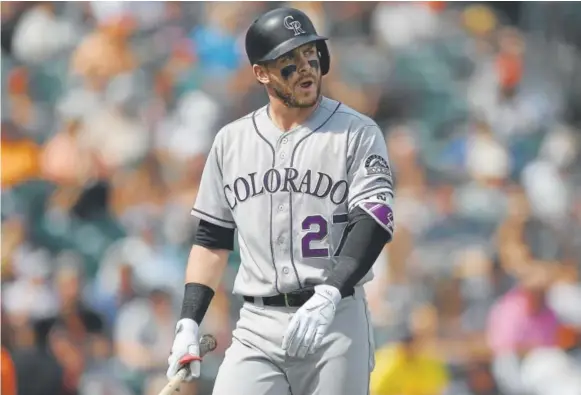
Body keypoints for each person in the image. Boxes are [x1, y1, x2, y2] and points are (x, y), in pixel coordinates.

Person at [166, 7, 395, 395]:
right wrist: (189, 321)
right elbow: (211, 239)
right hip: (257, 324)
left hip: (334, 316)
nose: (306, 67)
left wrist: (331, 291)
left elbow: (373, 220)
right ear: (261, 73)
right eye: (288, 61)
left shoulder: (357, 132)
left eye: (310, 55)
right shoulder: (231, 141)